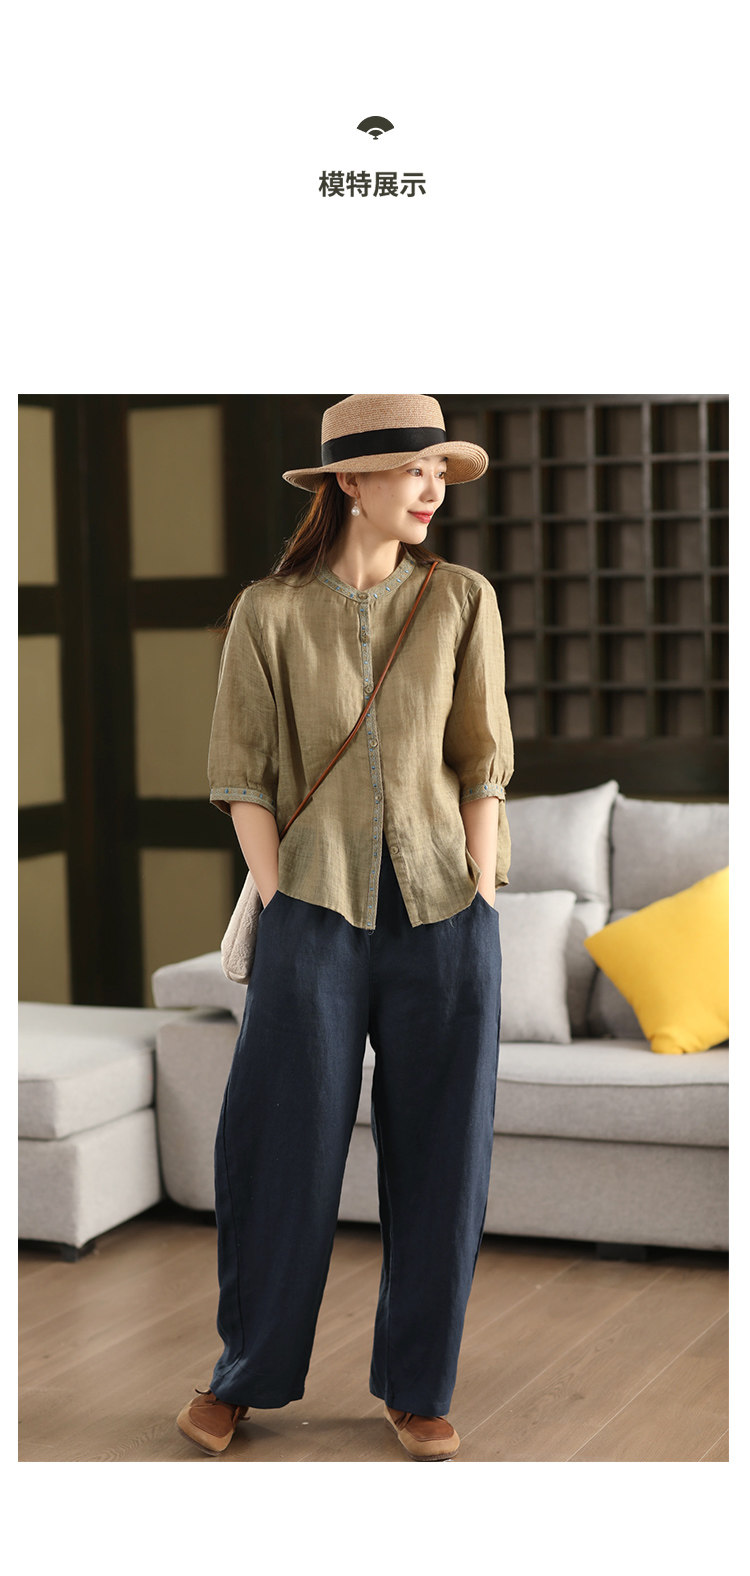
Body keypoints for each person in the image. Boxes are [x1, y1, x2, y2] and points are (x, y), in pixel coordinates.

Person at [176, 394, 514, 1461]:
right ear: (350, 482)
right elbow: (241, 772)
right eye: (416, 469)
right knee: (278, 1146)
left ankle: (419, 1386)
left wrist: (483, 878)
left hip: (445, 913)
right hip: (312, 913)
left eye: (441, 471)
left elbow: (481, 757)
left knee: (444, 1155)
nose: (433, 489)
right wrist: (278, 892)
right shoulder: (268, 613)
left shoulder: (460, 599)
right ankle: (245, 1374)